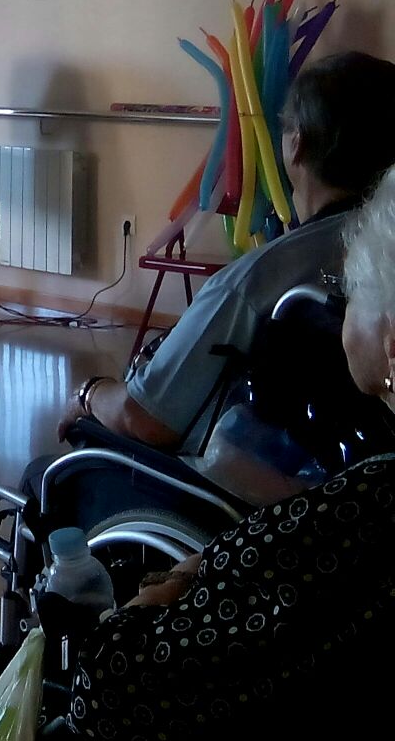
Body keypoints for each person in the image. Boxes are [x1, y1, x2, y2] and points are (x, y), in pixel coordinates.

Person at [65, 165, 395, 739]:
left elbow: (148, 420)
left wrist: (170, 588)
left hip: (235, 510)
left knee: (52, 476)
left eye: (356, 293)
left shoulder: (341, 523)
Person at [58, 51, 395, 452]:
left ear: (297, 145)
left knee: (39, 480)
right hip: (355, 472)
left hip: (233, 489)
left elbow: (145, 418)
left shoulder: (256, 281)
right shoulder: (382, 251)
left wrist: (88, 393)